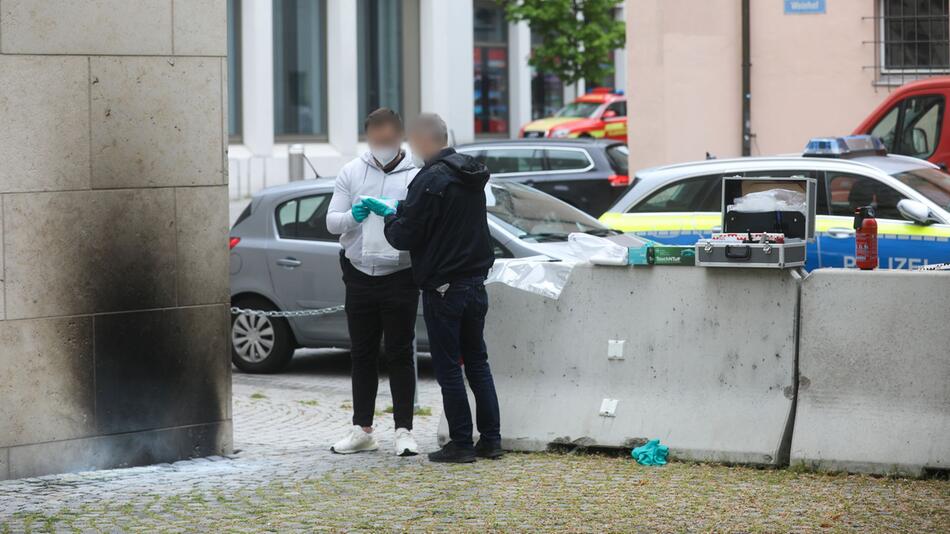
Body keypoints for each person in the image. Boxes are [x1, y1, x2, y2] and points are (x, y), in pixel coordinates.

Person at [363, 113, 503, 463]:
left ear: (424, 140)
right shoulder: (471, 173)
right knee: (477, 362)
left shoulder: (431, 179)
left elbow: (405, 236)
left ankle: (460, 444)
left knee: (448, 367)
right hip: (475, 282)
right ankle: (491, 440)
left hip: (444, 286)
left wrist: (391, 216)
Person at [326, 108, 420, 457]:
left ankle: (404, 430)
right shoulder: (351, 171)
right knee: (362, 354)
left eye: (389, 138)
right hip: (360, 274)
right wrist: (354, 215)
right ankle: (362, 428)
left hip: (400, 274)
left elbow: (423, 223)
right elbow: (331, 222)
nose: (382, 143)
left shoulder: (417, 174)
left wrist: (396, 212)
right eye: (375, 138)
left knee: (400, 354)